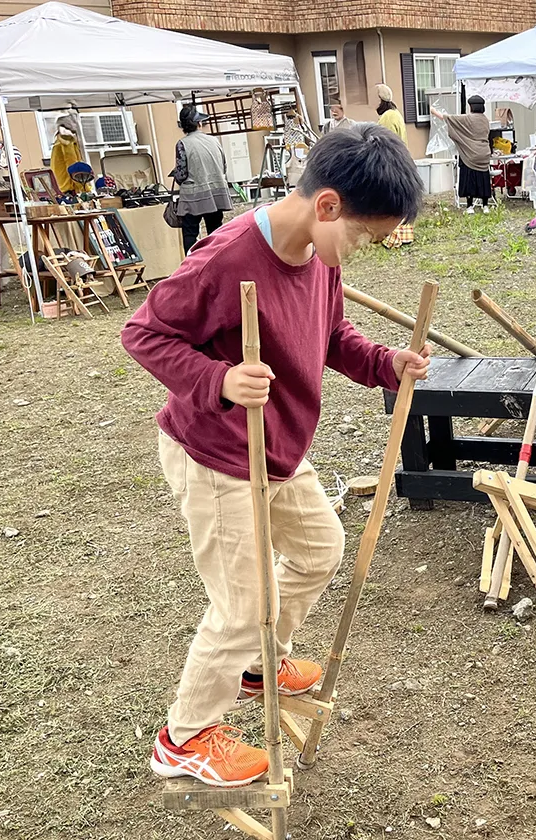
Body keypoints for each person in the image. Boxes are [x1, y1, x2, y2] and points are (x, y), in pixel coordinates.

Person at [122, 123, 429, 788]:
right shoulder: (225, 258)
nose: (362, 249)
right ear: (327, 207)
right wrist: (218, 381)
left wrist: (386, 363)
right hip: (214, 452)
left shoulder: (321, 258)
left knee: (320, 547)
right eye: (365, 235)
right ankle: (184, 736)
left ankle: (261, 665)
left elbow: (333, 334)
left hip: (278, 449)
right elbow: (143, 332)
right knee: (242, 603)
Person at [171, 105, 232, 254]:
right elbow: (224, 167)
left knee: (190, 233)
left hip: (193, 195)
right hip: (217, 193)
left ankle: (192, 266)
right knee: (215, 232)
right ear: (199, 123)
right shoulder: (214, 140)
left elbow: (181, 174)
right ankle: (217, 264)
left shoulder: (182, 144)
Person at [432, 96, 492, 214]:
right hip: (484, 153)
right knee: (483, 178)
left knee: (469, 178)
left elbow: (448, 119)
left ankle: (470, 206)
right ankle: (485, 205)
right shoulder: (485, 119)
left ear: (471, 106)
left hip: (470, 154)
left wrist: (433, 111)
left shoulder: (468, 118)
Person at [374, 84, 414, 248]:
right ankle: (404, 236)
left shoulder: (388, 117)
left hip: (392, 162)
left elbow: (385, 143)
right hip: (401, 160)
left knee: (391, 200)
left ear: (380, 99)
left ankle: (393, 238)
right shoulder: (395, 113)